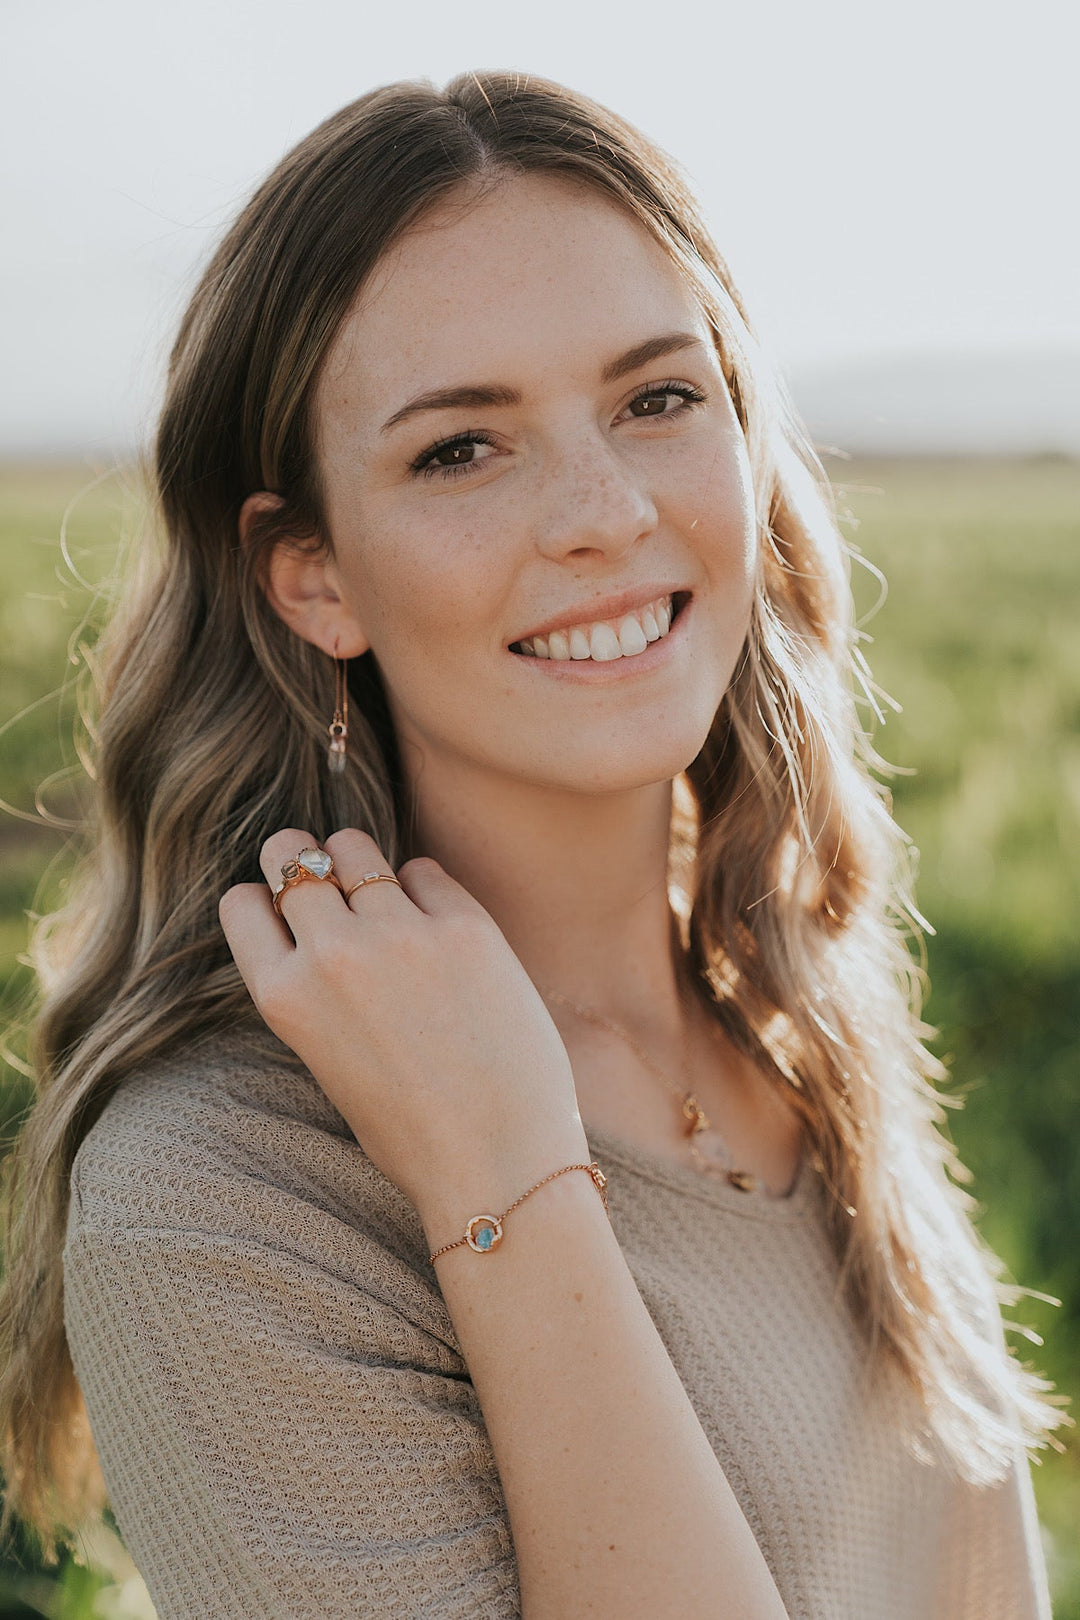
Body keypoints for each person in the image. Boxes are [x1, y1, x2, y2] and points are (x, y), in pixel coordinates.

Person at [0, 69, 1069, 1619]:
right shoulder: (228, 1194)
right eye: (459, 450)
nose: (604, 509)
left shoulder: (788, 998)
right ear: (313, 577)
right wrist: (506, 1183)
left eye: (657, 398)